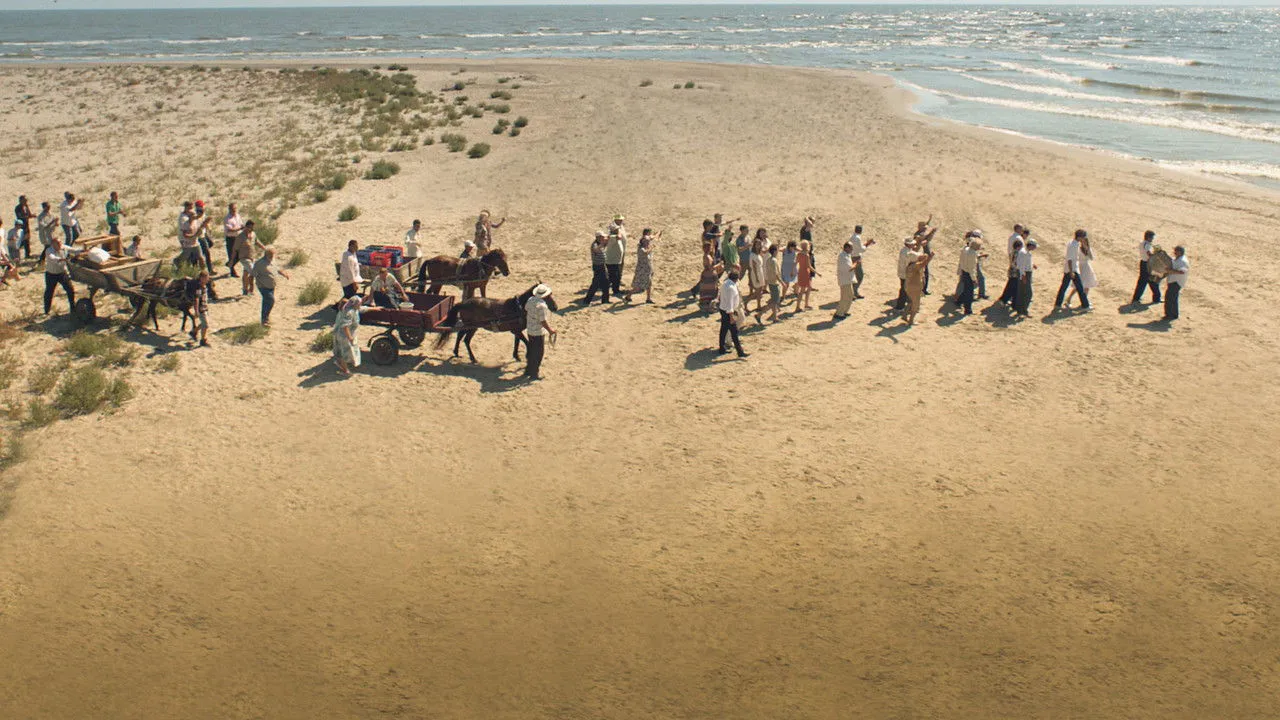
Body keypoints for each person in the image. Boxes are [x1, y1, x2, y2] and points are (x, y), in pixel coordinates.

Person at [523, 283, 556, 380]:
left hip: (530, 329)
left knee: (532, 350)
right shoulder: (542, 306)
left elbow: (526, 309)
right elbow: (543, 321)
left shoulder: (530, 300)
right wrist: (550, 330)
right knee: (539, 353)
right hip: (538, 332)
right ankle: (534, 373)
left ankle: (529, 370)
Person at [1054, 229, 1091, 311]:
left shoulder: (1073, 243)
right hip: (1072, 270)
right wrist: (1071, 272)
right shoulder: (1073, 245)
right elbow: (1070, 259)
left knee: (1064, 287)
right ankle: (1085, 306)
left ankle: (1058, 304)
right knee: (1080, 288)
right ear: (1079, 237)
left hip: (1071, 269)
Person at [252, 247, 290, 325]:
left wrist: (284, 274)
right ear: (266, 255)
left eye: (273, 255)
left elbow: (276, 269)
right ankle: (265, 319)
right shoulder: (259, 263)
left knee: (266, 302)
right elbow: (252, 275)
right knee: (270, 300)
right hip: (263, 286)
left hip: (271, 285)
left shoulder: (272, 261)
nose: (272, 257)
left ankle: (265, 319)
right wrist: (250, 286)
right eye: (271, 255)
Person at [332, 294, 369, 375]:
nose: (360, 305)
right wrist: (350, 337)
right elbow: (345, 326)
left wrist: (376, 308)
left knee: (343, 351)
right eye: (359, 303)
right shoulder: (349, 312)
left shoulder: (353, 308)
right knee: (344, 352)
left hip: (344, 334)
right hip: (343, 335)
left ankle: (342, 365)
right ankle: (345, 370)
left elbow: (363, 308)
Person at [717, 270, 748, 358]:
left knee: (723, 330)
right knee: (734, 333)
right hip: (728, 312)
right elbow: (730, 304)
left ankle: (722, 348)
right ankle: (740, 352)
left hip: (723, 309)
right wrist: (731, 317)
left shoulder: (725, 283)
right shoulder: (731, 288)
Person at [624, 228, 659, 304]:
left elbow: (650, 238)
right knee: (638, 287)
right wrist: (652, 247)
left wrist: (656, 235)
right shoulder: (641, 249)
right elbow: (646, 252)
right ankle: (628, 296)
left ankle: (648, 298)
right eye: (647, 241)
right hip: (642, 270)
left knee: (649, 283)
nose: (648, 242)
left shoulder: (645, 245)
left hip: (647, 268)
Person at [42, 236, 74, 315]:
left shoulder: (63, 247)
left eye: (60, 243)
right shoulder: (49, 251)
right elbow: (52, 258)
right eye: (58, 243)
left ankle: (73, 308)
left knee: (70, 290)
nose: (60, 245)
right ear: (53, 244)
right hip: (51, 274)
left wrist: (84, 250)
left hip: (62, 273)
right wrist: (62, 259)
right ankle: (46, 310)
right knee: (49, 292)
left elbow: (73, 250)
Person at [1064, 233, 1097, 308]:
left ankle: (1084, 301)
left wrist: (1087, 249)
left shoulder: (1088, 249)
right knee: (1078, 286)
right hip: (1080, 267)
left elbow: (1091, 258)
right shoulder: (1078, 248)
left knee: (1087, 286)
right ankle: (1069, 299)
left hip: (1087, 268)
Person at [233, 219, 265, 296]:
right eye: (250, 227)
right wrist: (232, 260)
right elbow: (235, 248)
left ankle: (245, 290)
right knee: (253, 271)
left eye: (252, 228)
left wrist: (264, 248)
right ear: (246, 227)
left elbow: (257, 241)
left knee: (246, 273)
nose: (251, 229)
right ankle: (253, 287)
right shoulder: (240, 236)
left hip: (252, 256)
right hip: (244, 258)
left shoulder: (253, 234)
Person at [903, 244, 932, 325]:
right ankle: (911, 320)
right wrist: (930, 257)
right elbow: (924, 263)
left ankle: (904, 315)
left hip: (909, 286)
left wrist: (925, 257)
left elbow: (923, 260)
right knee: (915, 305)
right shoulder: (916, 265)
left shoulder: (911, 264)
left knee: (910, 302)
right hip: (915, 288)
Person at [1132, 230, 1162, 304]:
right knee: (1151, 281)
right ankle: (1156, 298)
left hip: (1144, 263)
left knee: (1144, 281)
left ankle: (1136, 298)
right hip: (1148, 264)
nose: (1152, 239)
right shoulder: (1147, 245)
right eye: (1152, 237)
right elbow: (1149, 254)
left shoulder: (1143, 243)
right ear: (1148, 237)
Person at [956, 237, 982, 316]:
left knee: (966, 289)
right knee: (969, 293)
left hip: (964, 271)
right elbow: (972, 268)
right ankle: (968, 310)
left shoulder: (966, 249)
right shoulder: (973, 254)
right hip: (969, 274)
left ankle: (959, 301)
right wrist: (974, 279)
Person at [583, 231, 610, 304]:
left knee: (605, 283)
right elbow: (596, 249)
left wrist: (607, 240)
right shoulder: (595, 244)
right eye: (602, 237)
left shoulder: (600, 243)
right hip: (598, 266)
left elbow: (605, 245)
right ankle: (587, 300)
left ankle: (605, 300)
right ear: (598, 237)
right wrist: (603, 243)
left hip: (602, 265)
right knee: (596, 284)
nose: (603, 238)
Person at [849, 225, 875, 299]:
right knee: (859, 276)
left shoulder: (852, 237)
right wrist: (868, 244)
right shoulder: (857, 238)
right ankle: (854, 292)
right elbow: (861, 250)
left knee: (855, 276)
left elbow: (858, 248)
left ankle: (854, 292)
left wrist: (866, 244)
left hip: (852, 257)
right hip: (856, 258)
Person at [914, 215, 938, 295]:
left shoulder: (921, 232)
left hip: (924, 256)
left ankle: (923, 289)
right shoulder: (919, 235)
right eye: (923, 226)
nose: (925, 227)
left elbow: (926, 227)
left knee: (925, 273)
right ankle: (923, 289)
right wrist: (932, 232)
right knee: (925, 273)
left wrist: (929, 220)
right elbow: (927, 238)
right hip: (922, 257)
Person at [1163, 245, 1189, 321]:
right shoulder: (1176, 259)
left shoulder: (1183, 261)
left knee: (1170, 298)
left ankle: (1170, 315)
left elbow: (1182, 272)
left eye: (1176, 251)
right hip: (1172, 281)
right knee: (1172, 298)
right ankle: (1174, 314)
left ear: (1180, 252)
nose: (1174, 252)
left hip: (1176, 282)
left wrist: (1170, 271)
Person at [1013, 239, 1038, 318]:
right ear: (1031, 245)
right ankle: (1022, 310)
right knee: (1027, 293)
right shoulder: (1023, 253)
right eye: (1034, 246)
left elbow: (1026, 262)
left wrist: (1032, 264)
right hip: (1024, 274)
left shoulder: (1027, 252)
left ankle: (1021, 311)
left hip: (1026, 273)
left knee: (1023, 292)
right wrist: (1023, 276)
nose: (1035, 248)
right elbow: (1021, 266)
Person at [834, 241, 856, 320]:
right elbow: (849, 268)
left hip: (847, 279)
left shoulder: (846, 255)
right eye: (851, 248)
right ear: (847, 248)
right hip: (844, 280)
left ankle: (844, 311)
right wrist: (856, 263)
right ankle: (839, 313)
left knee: (850, 296)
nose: (852, 250)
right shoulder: (842, 256)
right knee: (845, 297)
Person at [176, 201, 201, 267]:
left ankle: (193, 267)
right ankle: (178, 262)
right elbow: (185, 231)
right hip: (184, 239)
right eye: (189, 208)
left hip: (194, 238)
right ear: (186, 207)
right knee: (187, 254)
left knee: (197, 255)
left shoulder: (191, 214)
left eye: (192, 208)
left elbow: (197, 219)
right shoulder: (183, 218)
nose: (191, 210)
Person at [698, 242, 721, 312]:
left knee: (709, 291)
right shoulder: (707, 257)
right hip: (709, 276)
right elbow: (710, 268)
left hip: (709, 275)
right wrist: (719, 265)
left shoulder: (707, 256)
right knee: (710, 291)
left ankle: (708, 306)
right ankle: (709, 307)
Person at [190, 271, 212, 346]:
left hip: (205, 307)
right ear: (201, 278)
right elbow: (196, 299)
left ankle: (193, 332)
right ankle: (203, 340)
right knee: (206, 325)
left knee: (204, 323)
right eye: (206, 278)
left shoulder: (204, 286)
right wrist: (196, 311)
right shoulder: (199, 288)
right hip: (200, 308)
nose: (207, 279)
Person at [223, 203, 245, 277]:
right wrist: (240, 228)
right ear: (229, 209)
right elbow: (230, 230)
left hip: (238, 237)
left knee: (240, 254)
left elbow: (241, 224)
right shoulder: (227, 219)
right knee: (232, 254)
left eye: (235, 208)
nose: (234, 210)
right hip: (230, 239)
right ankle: (232, 271)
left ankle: (230, 264)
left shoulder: (237, 216)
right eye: (233, 209)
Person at [193, 200, 215, 272]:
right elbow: (198, 226)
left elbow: (205, 223)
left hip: (203, 234)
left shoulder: (203, 213)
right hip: (199, 236)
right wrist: (204, 224)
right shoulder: (195, 216)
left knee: (210, 243)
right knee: (207, 252)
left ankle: (195, 257)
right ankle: (210, 269)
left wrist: (208, 229)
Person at [604, 226, 626, 297]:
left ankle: (614, 290)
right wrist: (619, 232)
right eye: (617, 229)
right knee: (615, 277)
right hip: (612, 261)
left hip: (615, 260)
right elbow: (619, 237)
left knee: (615, 276)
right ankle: (615, 291)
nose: (619, 230)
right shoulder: (612, 237)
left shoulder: (613, 236)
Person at [763, 243, 782, 322]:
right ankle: (760, 314)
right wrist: (782, 282)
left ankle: (774, 317)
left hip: (770, 282)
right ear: (774, 251)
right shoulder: (773, 260)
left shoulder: (768, 260)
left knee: (774, 301)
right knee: (775, 301)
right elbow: (775, 273)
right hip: (774, 282)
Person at [895, 238, 914, 310]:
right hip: (905, 274)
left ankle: (901, 304)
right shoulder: (907, 253)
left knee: (903, 288)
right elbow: (908, 263)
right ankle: (900, 306)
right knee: (904, 290)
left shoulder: (903, 250)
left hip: (902, 273)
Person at [795, 240, 814, 311]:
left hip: (801, 272)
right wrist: (817, 272)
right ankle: (798, 306)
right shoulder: (806, 255)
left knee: (808, 288)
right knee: (803, 290)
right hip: (805, 273)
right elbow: (809, 266)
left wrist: (793, 271)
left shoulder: (799, 254)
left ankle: (806, 304)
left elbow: (795, 263)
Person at [36, 201, 56, 267]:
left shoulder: (50, 214)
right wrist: (52, 222)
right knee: (47, 247)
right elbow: (44, 226)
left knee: (49, 247)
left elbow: (53, 223)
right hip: (45, 235)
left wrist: (55, 223)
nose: (49, 208)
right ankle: (41, 260)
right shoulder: (40, 217)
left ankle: (43, 260)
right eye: (47, 207)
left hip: (51, 233)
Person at [780, 239, 799, 305]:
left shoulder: (795, 249)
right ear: (789, 246)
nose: (793, 248)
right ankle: (783, 297)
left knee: (797, 282)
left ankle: (796, 292)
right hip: (785, 268)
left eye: (794, 247)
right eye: (792, 247)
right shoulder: (785, 249)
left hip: (793, 267)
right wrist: (779, 245)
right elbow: (779, 249)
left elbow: (802, 250)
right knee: (786, 284)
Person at [14, 195, 32, 259]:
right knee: (22, 240)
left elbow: (29, 214)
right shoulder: (17, 208)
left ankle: (27, 254)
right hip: (21, 226)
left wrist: (31, 216)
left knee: (27, 240)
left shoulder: (26, 206)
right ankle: (15, 253)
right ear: (21, 200)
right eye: (25, 200)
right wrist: (27, 216)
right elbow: (20, 217)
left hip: (26, 225)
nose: (26, 201)